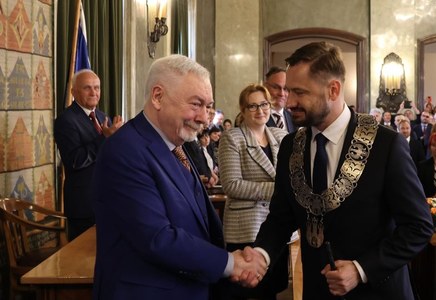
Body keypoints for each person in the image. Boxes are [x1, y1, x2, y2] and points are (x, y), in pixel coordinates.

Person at [252, 42, 433, 299]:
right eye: (287, 91)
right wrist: (261, 254)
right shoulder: (291, 146)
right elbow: (281, 218)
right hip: (318, 291)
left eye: (299, 92)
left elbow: (418, 227)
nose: (289, 102)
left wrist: (361, 269)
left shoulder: (385, 145)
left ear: (333, 90)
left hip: (377, 291)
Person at [91, 55, 267, 299]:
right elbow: (156, 237)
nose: (204, 118)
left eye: (207, 107)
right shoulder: (124, 150)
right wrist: (231, 263)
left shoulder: (176, 145)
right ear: (158, 96)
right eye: (195, 104)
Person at [218, 84, 289, 300]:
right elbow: (231, 185)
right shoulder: (232, 138)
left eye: (264, 104)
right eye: (253, 106)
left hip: (277, 226)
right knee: (248, 291)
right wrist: (276, 190)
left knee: (273, 287)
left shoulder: (281, 135)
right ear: (243, 109)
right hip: (246, 227)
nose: (260, 111)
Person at [54, 69, 124, 241]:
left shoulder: (101, 116)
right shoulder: (66, 120)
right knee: (82, 261)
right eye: (87, 88)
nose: (94, 92)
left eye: (97, 88)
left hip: (108, 200)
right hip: (84, 204)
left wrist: (119, 139)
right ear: (74, 92)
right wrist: (105, 138)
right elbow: (75, 161)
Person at [264, 66, 297, 133]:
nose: (281, 94)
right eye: (276, 87)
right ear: (265, 87)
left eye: (285, 89)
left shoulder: (294, 117)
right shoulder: (254, 115)